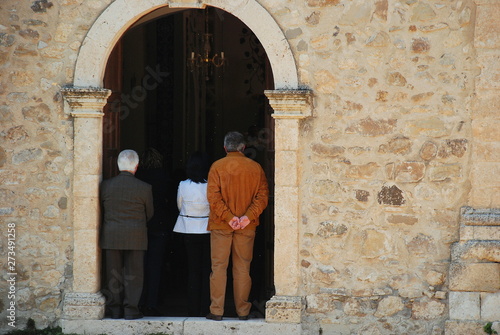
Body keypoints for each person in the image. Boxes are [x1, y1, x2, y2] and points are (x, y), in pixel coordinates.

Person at [206, 131, 269, 321]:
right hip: (246, 226)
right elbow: (262, 196)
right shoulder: (255, 168)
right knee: (242, 268)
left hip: (221, 225)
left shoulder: (217, 167)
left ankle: (217, 310)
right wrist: (247, 217)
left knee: (218, 268)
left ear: (225, 148)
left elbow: (213, 197)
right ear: (243, 148)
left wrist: (228, 217)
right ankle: (243, 311)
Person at [100, 149, 154, 320]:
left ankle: (114, 310)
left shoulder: (106, 185)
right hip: (136, 236)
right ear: (136, 166)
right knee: (134, 274)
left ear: (117, 165)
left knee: (112, 274)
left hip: (112, 236)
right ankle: (131, 310)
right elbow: (149, 213)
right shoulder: (145, 188)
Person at [173, 151, 211, 317]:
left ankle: (193, 310)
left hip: (189, 229)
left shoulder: (183, 184)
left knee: (193, 271)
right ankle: (206, 308)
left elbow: (179, 206)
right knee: (206, 270)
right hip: (207, 230)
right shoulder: (210, 185)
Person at [136, 148, 171, 316]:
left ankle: (138, 301)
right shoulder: (163, 176)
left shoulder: (138, 175)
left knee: (138, 265)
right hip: (160, 224)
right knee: (156, 265)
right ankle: (152, 302)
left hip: (141, 225)